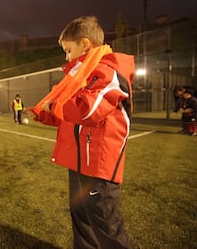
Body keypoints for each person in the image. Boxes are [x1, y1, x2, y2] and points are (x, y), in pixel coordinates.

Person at [28, 16, 133, 248]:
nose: (66, 57)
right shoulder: (83, 73)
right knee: (82, 218)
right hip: (79, 159)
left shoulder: (109, 70)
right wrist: (45, 114)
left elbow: (89, 110)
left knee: (104, 221)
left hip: (97, 163)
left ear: (85, 44)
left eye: (68, 50)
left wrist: (54, 106)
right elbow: (72, 118)